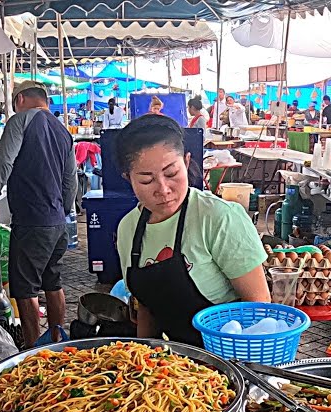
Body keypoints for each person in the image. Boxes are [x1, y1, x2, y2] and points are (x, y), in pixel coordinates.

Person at [114, 114, 270, 344]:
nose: (163, 189)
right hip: (176, 367)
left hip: (231, 358)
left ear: (186, 162)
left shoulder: (218, 217)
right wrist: (145, 357)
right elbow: (147, 307)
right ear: (129, 179)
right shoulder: (129, 228)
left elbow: (259, 306)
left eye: (171, 173)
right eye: (147, 180)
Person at [0, 81, 78, 348]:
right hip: (56, 222)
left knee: (25, 289)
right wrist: (64, 211)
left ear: (20, 99)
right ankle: (57, 341)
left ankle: (34, 351)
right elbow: (71, 179)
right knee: (53, 281)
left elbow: (3, 161)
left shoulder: (19, 121)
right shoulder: (62, 130)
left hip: (32, 221)